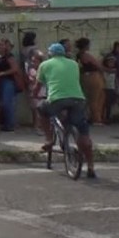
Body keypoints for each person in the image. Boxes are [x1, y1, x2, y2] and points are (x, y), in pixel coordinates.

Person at [35, 43, 97, 179]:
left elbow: (38, 85)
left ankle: (49, 139)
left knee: (41, 109)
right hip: (77, 99)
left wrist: (34, 95)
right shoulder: (74, 64)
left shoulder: (45, 65)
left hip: (56, 99)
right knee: (83, 132)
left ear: (50, 53)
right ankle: (91, 166)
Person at [75, 37, 106, 126]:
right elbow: (97, 65)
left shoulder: (79, 55)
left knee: (94, 98)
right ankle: (96, 119)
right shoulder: (85, 55)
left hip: (85, 77)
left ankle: (94, 117)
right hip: (92, 76)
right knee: (95, 98)